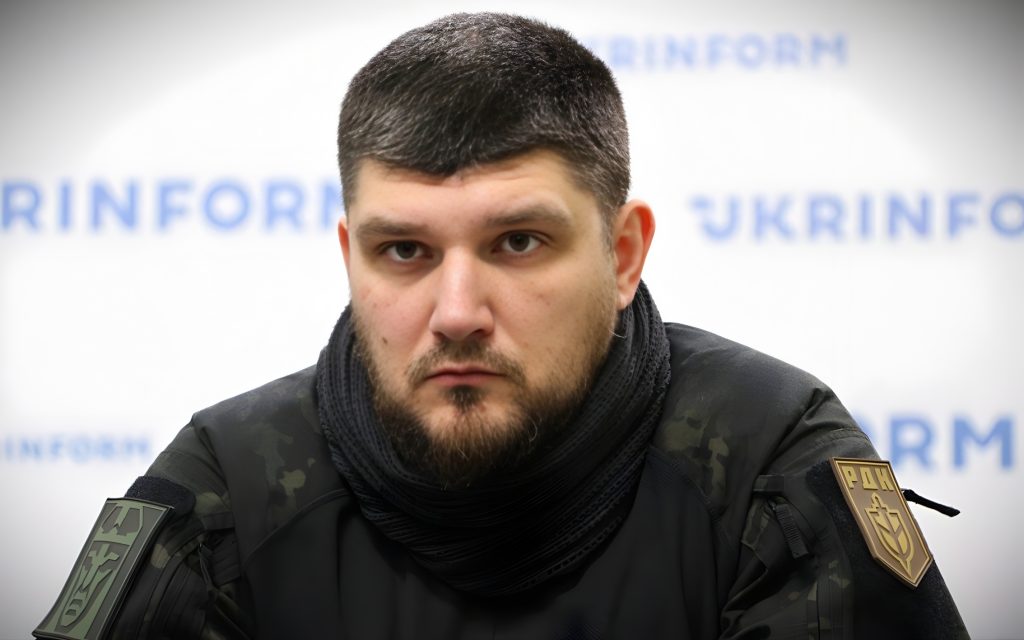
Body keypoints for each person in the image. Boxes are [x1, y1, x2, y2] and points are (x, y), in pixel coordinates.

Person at [35, 12, 969, 640]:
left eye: (518, 242)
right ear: (350, 255)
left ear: (623, 255)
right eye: (404, 250)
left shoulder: (775, 462)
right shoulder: (225, 493)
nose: (456, 314)